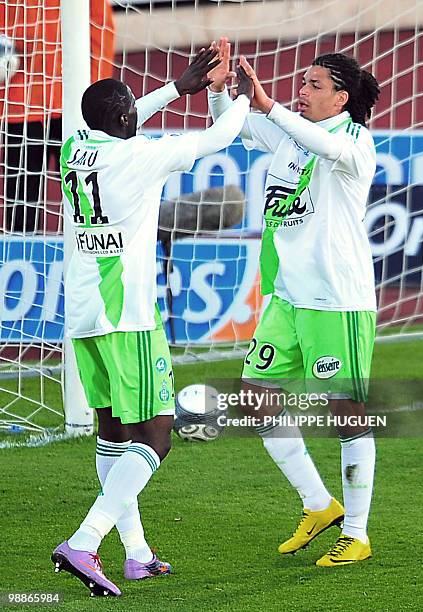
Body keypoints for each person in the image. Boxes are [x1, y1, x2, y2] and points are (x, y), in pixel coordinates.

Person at [51, 49, 254, 597]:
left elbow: (123, 114)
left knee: (114, 431)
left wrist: (178, 87)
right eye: (131, 113)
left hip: (85, 312)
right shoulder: (137, 156)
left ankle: (137, 553)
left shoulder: (77, 146)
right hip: (130, 317)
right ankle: (85, 542)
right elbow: (218, 137)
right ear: (124, 122)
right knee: (158, 436)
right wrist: (231, 93)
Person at [208, 38, 380, 567]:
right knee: (255, 397)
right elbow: (234, 128)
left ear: (342, 99)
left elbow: (321, 146)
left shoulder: (355, 142)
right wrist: (220, 92)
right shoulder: (289, 133)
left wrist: (272, 108)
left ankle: (356, 532)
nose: (301, 90)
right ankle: (317, 502)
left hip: (336, 301)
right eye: (301, 82)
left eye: (314, 85)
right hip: (287, 296)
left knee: (346, 415)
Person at [0, 0, 114, 233]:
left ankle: (88, 257)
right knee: (21, 202)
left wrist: (97, 95)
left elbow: (102, 31)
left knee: (85, 195)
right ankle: (19, 260)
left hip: (72, 102)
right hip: (19, 104)